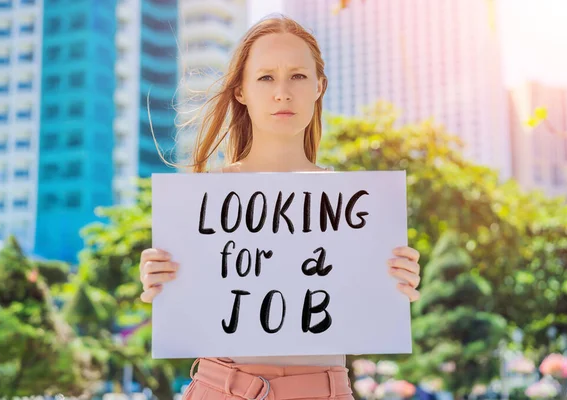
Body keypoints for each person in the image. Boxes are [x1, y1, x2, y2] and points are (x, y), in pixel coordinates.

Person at [138, 14, 422, 400]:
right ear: (241, 90)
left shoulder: (360, 210)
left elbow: (363, 309)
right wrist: (159, 279)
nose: (282, 92)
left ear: (319, 87)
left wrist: (397, 281)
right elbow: (189, 308)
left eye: (298, 77)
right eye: (266, 77)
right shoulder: (199, 202)